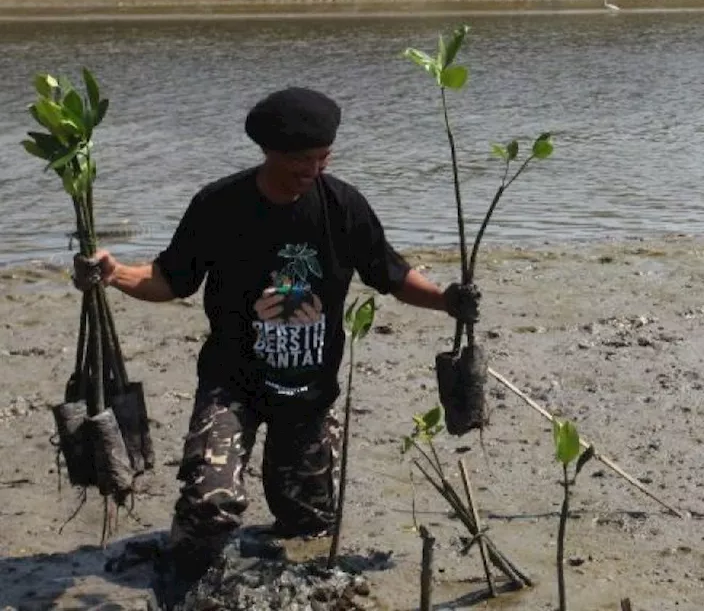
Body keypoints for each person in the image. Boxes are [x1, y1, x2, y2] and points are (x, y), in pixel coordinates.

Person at [73, 86, 479, 602]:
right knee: (211, 501)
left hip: (310, 391)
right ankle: (180, 574)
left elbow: (393, 274)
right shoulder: (219, 205)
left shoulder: (344, 205)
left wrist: (446, 300)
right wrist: (114, 275)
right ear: (267, 152)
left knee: (308, 526)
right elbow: (171, 280)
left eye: (322, 156)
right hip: (232, 383)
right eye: (299, 159)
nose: (312, 168)